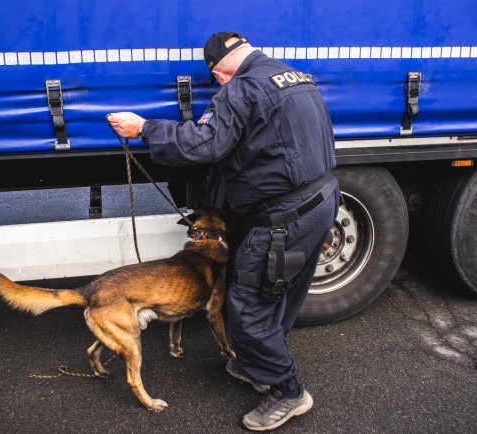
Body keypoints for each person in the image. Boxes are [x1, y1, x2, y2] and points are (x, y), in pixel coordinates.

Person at [108, 31, 339, 431]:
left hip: (284, 218)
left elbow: (204, 144)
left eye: (217, 79)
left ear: (218, 71)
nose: (219, 84)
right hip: (322, 201)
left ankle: (288, 392)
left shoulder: (241, 88)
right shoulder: (292, 76)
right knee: (281, 293)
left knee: (245, 306)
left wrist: (145, 129)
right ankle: (257, 365)